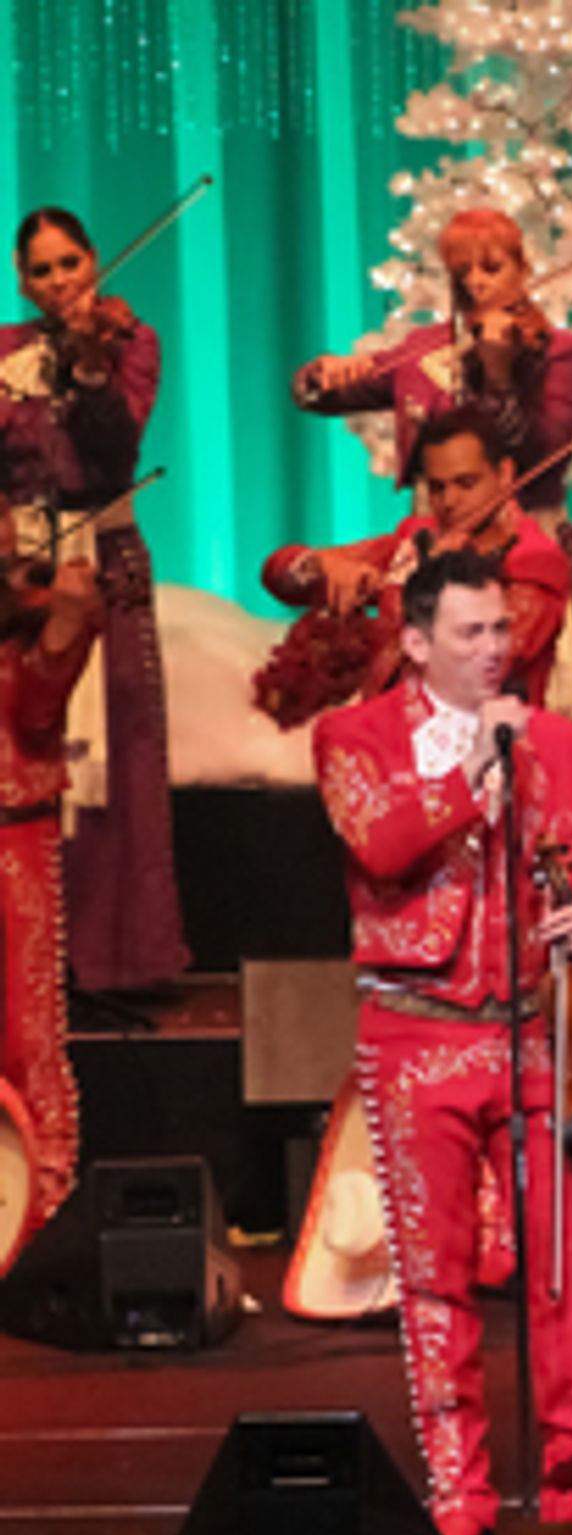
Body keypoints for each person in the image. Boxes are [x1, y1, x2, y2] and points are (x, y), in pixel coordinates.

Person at [313, 546, 572, 1535]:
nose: (495, 651)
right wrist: (472, 765)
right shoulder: (352, 738)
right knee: (435, 1280)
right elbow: (383, 843)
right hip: (418, 1033)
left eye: (501, 631)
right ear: (414, 643)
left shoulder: (562, 744)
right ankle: (460, 1490)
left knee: (561, 1266)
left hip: (537, 1030)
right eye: (471, 634)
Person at [0, 206, 188, 993]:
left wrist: (86, 368)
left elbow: (116, 447)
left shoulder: (128, 342)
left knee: (114, 753)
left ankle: (115, 959)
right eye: (40, 271)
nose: (57, 283)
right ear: (21, 279)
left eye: (69, 264)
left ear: (95, 260)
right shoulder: (6, 354)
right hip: (19, 572)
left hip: (103, 559)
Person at [259, 406, 569, 722]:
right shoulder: (417, 539)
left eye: (466, 483)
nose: (449, 502)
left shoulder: (536, 562)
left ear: (504, 475)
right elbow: (277, 572)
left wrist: (437, 580)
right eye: (438, 487)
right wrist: (320, 569)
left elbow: (471, 666)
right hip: (384, 736)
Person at [293, 207, 572, 522]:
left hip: (523, 524)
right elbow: (327, 396)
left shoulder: (563, 353)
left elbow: (537, 452)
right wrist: (321, 377)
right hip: (434, 523)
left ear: (522, 270)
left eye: (491, 268)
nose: (475, 282)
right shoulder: (426, 346)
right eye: (462, 271)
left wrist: (498, 373)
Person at [0, 512, 102, 1238]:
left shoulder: (25, 624)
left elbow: (36, 716)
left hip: (14, 833)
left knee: (29, 1038)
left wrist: (65, 627)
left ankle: (40, 1225)